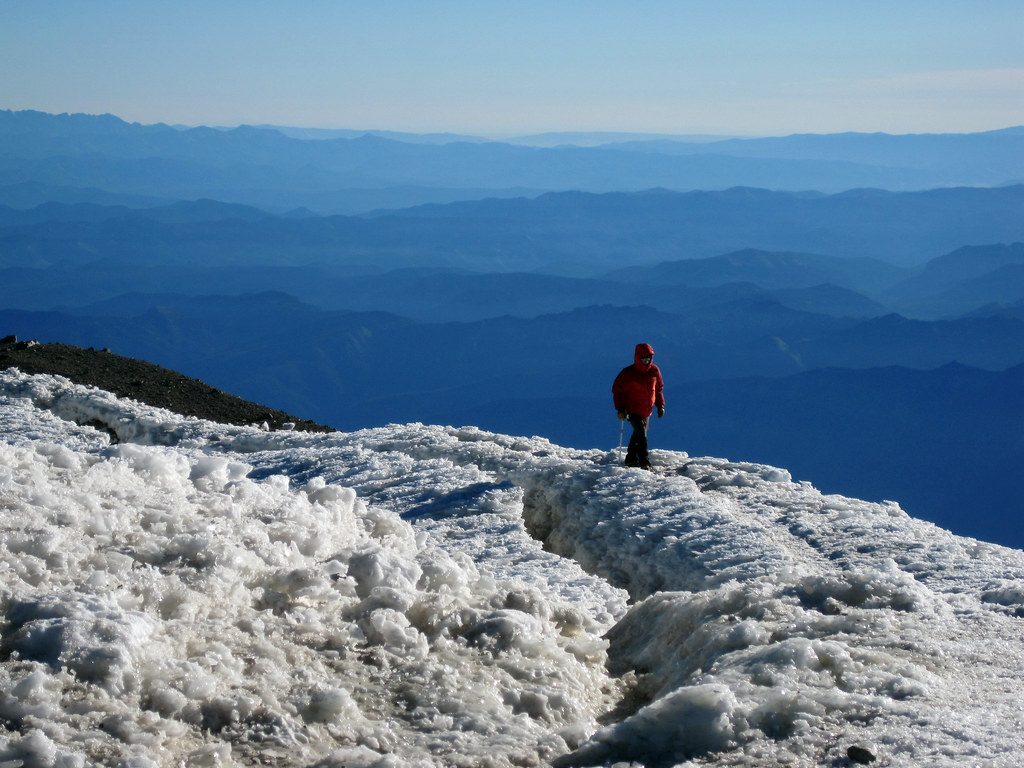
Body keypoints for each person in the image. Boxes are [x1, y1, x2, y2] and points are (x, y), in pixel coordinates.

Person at [612, 342, 665, 469]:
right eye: (644, 358)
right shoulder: (628, 373)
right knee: (641, 433)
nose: (647, 361)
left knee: (637, 433)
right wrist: (620, 408)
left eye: (649, 358)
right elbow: (618, 391)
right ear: (638, 358)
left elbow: (658, 390)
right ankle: (644, 462)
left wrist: (660, 406)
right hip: (632, 408)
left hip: (646, 409)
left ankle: (630, 459)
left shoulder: (654, 371)